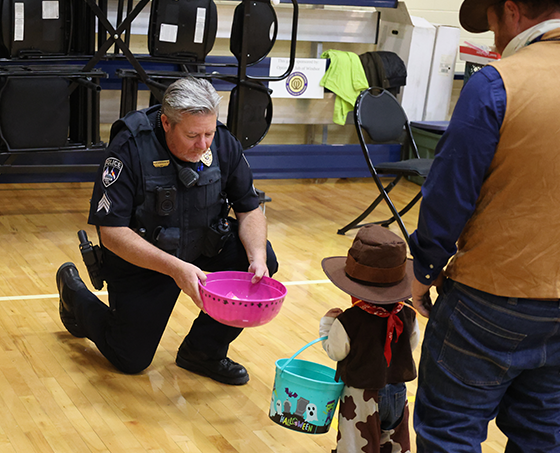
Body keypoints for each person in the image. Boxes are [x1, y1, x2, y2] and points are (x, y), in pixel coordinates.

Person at [56, 76, 278, 385]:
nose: (203, 145)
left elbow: (249, 207)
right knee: (130, 359)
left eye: (208, 133)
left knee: (261, 258)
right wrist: (175, 268)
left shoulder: (223, 142)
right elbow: (111, 233)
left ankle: (202, 352)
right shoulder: (130, 147)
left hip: (203, 249)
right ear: (166, 123)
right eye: (192, 135)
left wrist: (256, 257)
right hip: (147, 262)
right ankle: (74, 296)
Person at [409, 0, 560, 451]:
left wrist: (425, 267)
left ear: (510, 11)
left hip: (494, 295)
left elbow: (450, 191)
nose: (493, 38)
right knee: (545, 437)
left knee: (449, 432)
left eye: (491, 23)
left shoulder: (498, 82)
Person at [319, 224, 419, 453]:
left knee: (356, 443)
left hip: (361, 395)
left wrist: (327, 325)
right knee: (394, 442)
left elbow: (336, 351)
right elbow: (412, 344)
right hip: (398, 391)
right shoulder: (408, 313)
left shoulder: (349, 321)